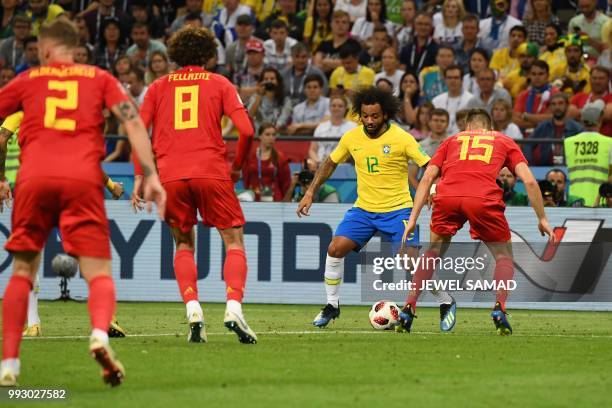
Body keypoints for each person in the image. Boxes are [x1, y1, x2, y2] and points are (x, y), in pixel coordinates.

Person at [0, 18, 165, 387]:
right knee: (98, 272)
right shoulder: (99, 78)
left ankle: (9, 363)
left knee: (23, 270)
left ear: (44, 49)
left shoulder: (28, 80)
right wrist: (150, 175)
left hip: (33, 178)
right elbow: (133, 122)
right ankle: (99, 335)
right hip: (82, 180)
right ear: (76, 48)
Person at [132, 25, 257, 345]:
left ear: (175, 55)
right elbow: (246, 131)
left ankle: (193, 309)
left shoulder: (157, 87)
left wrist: (140, 175)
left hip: (170, 175)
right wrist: (238, 167)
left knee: (183, 244)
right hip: (211, 171)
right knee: (233, 240)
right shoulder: (220, 83)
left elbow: (138, 132)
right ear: (207, 54)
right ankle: (233, 307)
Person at [297, 87, 456, 332]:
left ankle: (445, 300)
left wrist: (433, 191)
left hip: (398, 210)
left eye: (374, 116)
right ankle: (331, 304)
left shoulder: (402, 138)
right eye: (365, 116)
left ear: (385, 115)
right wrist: (310, 192)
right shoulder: (352, 138)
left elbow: (430, 165)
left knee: (410, 263)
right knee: (334, 248)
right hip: (364, 209)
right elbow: (329, 163)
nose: (369, 121)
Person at [398, 108, 555, 336]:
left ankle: (409, 306)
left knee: (433, 251)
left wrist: (413, 218)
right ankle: (500, 307)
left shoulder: (451, 140)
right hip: (482, 197)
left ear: (467, 128)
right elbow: (529, 182)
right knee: (503, 255)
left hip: (448, 196)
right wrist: (542, 218)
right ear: (489, 128)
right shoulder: (504, 140)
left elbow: (427, 178)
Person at [564, 100, 612, 207]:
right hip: (600, 200)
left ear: (582, 120)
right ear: (600, 119)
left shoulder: (568, 142)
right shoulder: (609, 142)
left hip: (575, 201)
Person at [527, 93, 583, 165]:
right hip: (545, 170)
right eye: (553, 104)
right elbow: (528, 144)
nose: (557, 107)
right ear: (549, 107)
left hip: (570, 169)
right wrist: (531, 164)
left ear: (567, 106)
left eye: (560, 103)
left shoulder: (577, 128)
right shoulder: (544, 126)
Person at [242, 123, 291, 202]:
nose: (271, 138)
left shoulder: (281, 158)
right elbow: (246, 179)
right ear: (260, 136)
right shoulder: (250, 156)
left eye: (273, 135)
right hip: (254, 199)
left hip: (275, 200)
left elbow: (286, 184)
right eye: (267, 134)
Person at [309, 95, 357, 164]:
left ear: (346, 109)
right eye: (333, 106)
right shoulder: (321, 126)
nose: (336, 108)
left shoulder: (352, 127)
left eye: (340, 106)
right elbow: (312, 150)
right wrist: (318, 162)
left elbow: (355, 150)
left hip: (343, 166)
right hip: (320, 165)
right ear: (329, 108)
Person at [512, 60, 557, 131]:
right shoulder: (523, 95)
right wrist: (538, 122)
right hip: (524, 136)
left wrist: (525, 116)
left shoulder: (555, 94)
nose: (537, 77)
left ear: (548, 75)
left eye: (541, 74)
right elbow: (514, 119)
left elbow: (553, 118)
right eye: (534, 74)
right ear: (529, 75)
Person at [568, 66, 612, 137]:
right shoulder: (579, 96)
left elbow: (609, 114)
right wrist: (598, 113)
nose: (597, 81)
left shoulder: (611, 97)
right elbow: (570, 114)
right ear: (590, 79)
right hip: (580, 141)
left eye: (601, 78)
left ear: (608, 80)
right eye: (594, 78)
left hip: (606, 142)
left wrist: (580, 113)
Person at [247, 66, 293, 131]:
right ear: (261, 82)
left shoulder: (286, 100)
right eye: (266, 79)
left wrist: (273, 130)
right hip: (258, 136)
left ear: (278, 82)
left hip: (277, 135)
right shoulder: (255, 97)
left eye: (272, 79)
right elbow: (250, 115)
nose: (269, 81)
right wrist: (259, 95)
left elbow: (283, 119)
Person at [432, 64, 473, 135]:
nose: (452, 81)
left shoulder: (471, 100)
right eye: (449, 78)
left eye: (456, 78)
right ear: (445, 80)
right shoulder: (436, 100)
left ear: (462, 80)